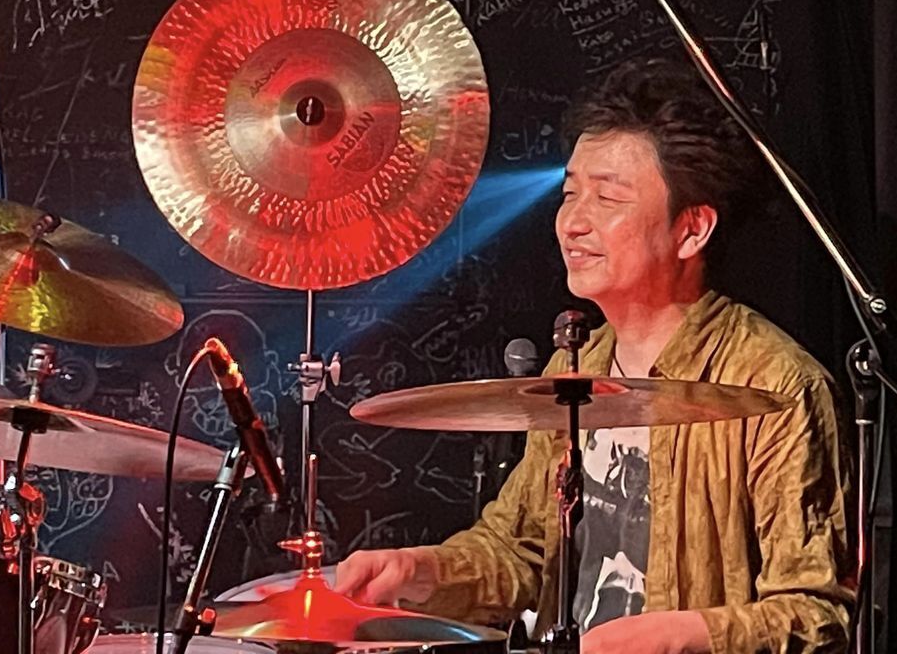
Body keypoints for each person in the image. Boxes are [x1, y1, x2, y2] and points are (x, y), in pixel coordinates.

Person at [334, 59, 854, 654]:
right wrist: (420, 572)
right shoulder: (574, 369)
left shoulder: (775, 386)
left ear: (692, 230)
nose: (572, 223)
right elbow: (521, 550)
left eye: (607, 198)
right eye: (570, 194)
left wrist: (681, 635)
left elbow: (816, 613)